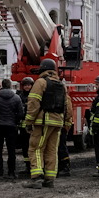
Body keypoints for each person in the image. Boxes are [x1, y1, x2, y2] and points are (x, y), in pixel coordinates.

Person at [23, 58, 72, 188]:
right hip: (58, 122)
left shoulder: (40, 82)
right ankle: (49, 179)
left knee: (36, 148)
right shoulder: (61, 85)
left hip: (43, 121)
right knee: (52, 150)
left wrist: (28, 121)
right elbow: (67, 105)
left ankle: (37, 178)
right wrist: (67, 122)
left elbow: (33, 103)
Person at [0, 78, 24, 179]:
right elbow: (21, 113)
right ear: (10, 86)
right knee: (11, 150)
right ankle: (11, 172)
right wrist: (16, 122)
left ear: (2, 85)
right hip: (11, 126)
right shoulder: (16, 97)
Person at [16, 76, 35, 169]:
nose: (27, 87)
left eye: (29, 85)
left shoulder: (35, 95)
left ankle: (34, 164)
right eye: (25, 85)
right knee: (25, 146)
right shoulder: (20, 96)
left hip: (33, 126)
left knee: (33, 146)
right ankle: (28, 166)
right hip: (23, 126)